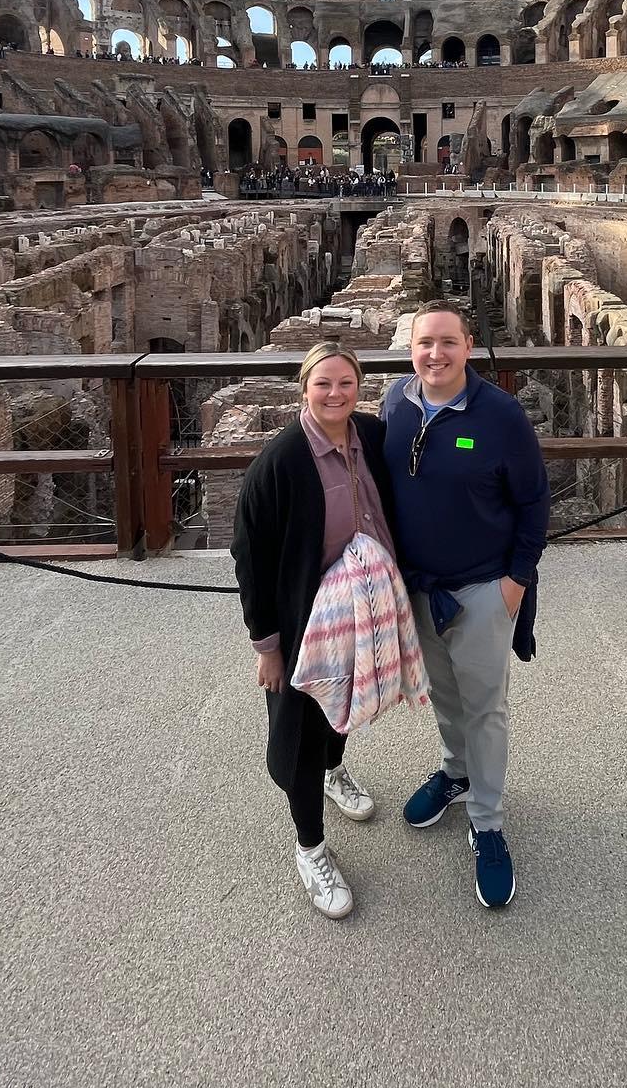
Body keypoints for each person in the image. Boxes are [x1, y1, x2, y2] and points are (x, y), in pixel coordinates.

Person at [382, 301, 550, 909]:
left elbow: (534, 503)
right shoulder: (396, 403)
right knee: (445, 694)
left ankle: (488, 822)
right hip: (421, 586)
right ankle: (456, 772)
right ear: (412, 350)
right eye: (426, 343)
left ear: (468, 346)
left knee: (485, 707)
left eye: (448, 342)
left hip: (482, 589)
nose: (436, 354)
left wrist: (516, 582)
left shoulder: (500, 416)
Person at [231, 342, 400, 921]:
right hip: (303, 618)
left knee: (347, 705)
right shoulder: (279, 461)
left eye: (346, 384)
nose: (335, 394)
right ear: (304, 389)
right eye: (323, 384)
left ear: (360, 389)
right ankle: (311, 848)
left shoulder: (371, 440)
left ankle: (336, 770)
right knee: (297, 734)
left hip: (365, 608)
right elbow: (249, 556)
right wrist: (267, 646)